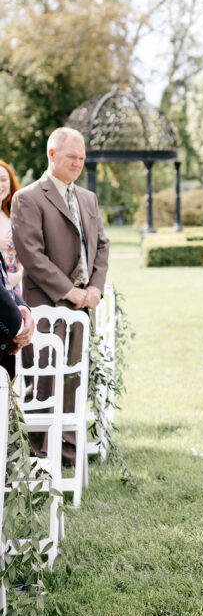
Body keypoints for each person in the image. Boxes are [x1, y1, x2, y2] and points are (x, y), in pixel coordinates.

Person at [11, 127, 109, 463]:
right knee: (43, 377)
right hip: (46, 304)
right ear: (52, 155)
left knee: (72, 376)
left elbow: (102, 245)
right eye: (72, 157)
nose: (78, 164)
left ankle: (68, 447)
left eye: (82, 158)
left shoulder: (88, 198)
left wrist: (94, 288)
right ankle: (39, 449)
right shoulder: (28, 198)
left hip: (83, 306)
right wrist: (70, 293)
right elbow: (31, 255)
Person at [0, 160, 24, 290]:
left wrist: (19, 275)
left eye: (3, 179)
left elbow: (23, 256)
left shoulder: (15, 218)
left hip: (13, 291)